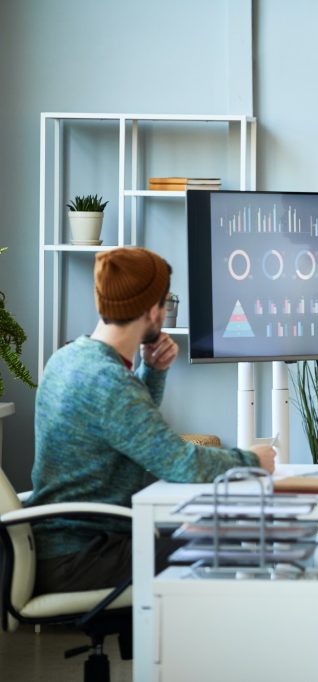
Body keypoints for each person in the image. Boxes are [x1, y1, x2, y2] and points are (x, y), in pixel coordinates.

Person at [27, 246, 276, 595]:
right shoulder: (110, 382)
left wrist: (153, 372)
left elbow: (131, 431)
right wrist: (253, 461)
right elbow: (181, 463)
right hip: (82, 555)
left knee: (202, 531)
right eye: (166, 300)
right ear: (152, 311)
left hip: (60, 546)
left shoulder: (68, 358)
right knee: (233, 545)